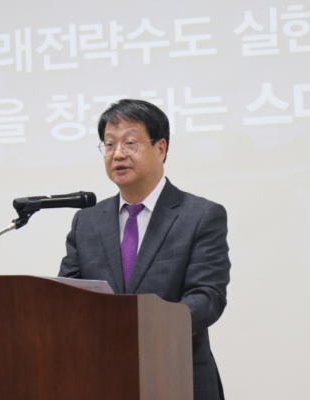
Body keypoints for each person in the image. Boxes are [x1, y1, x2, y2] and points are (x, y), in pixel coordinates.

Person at [59, 99, 231, 400]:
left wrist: (144, 328)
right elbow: (66, 298)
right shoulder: (87, 221)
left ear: (160, 148)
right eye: (109, 144)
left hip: (177, 375)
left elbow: (208, 297)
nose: (118, 154)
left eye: (130, 143)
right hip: (101, 379)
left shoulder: (200, 215)